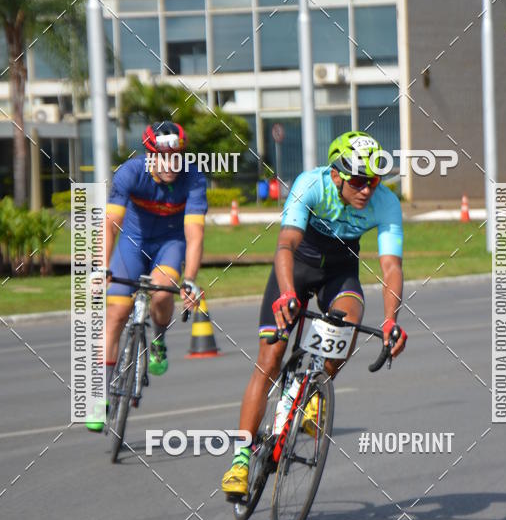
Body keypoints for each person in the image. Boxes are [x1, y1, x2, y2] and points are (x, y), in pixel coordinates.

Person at [221, 131, 407, 498]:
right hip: (297, 267)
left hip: (339, 273)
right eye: (357, 180)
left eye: (373, 181)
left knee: (349, 319)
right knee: (270, 358)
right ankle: (240, 459)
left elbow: (390, 267)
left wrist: (390, 320)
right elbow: (285, 245)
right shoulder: (311, 184)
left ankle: (313, 390)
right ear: (336, 175)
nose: (367, 190)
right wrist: (287, 294)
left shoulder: (385, 202)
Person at [86, 120, 207, 431]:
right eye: (163, 157)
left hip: (169, 244)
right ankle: (100, 395)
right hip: (131, 243)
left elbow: (194, 233)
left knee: (163, 291)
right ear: (150, 155)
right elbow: (111, 223)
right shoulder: (130, 173)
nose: (171, 164)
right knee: (115, 312)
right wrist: (101, 267)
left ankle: (159, 339)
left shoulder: (193, 178)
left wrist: (190, 280)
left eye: (176, 156)